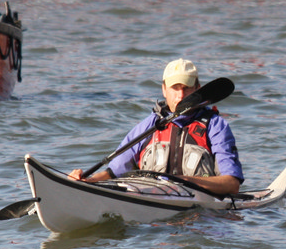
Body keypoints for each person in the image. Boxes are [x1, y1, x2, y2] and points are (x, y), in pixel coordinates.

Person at [68, 59, 243, 195]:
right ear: (164, 90)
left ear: (198, 88)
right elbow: (113, 172)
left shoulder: (215, 126)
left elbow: (232, 184)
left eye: (187, 88)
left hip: (201, 216)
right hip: (153, 211)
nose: (181, 95)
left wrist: (183, 181)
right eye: (175, 88)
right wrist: (87, 182)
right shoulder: (149, 126)